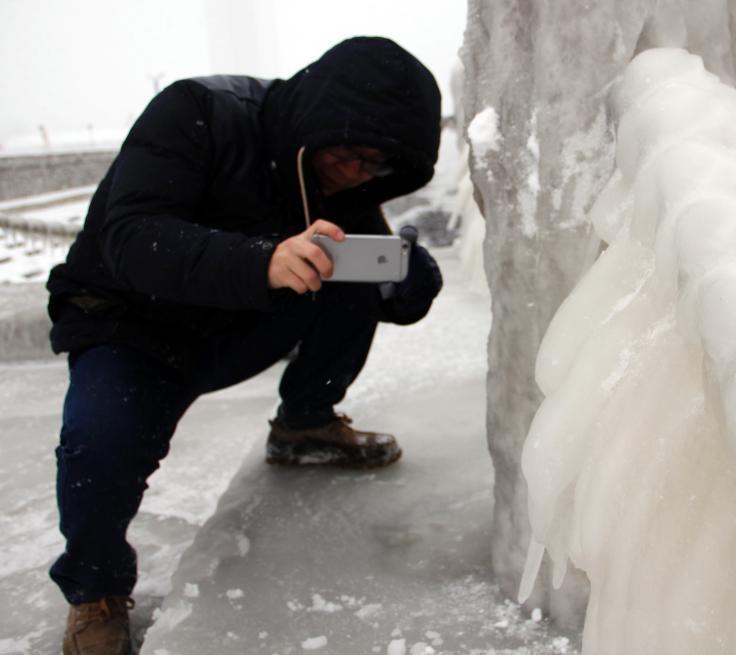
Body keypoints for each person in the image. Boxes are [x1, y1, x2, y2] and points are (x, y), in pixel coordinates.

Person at [45, 37, 443, 655]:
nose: (357, 172)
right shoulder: (198, 113)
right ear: (322, 115)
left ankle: (303, 424)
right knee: (100, 449)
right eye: (352, 152)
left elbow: (386, 284)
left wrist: (408, 282)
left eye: (378, 166)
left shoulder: (342, 181)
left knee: (350, 276)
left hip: (229, 327)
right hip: (130, 328)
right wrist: (262, 262)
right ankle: (94, 591)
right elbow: (131, 235)